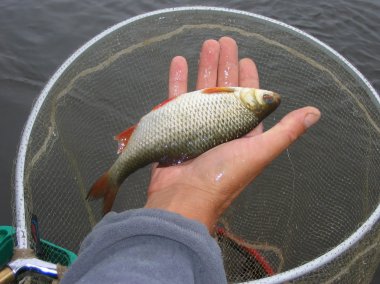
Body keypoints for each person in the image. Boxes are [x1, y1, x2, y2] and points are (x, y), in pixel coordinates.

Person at [61, 37, 320, 283]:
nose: (268, 95)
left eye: (265, 99)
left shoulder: (235, 101)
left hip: (167, 129)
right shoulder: (237, 102)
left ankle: (113, 180)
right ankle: (114, 180)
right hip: (172, 134)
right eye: (267, 99)